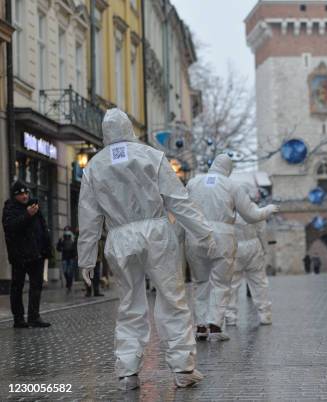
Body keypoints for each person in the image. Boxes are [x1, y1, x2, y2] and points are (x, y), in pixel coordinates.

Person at [77, 108, 216, 390]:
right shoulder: (152, 156)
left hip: (119, 236)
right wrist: (203, 232)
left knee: (129, 303)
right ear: (130, 127)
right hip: (156, 231)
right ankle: (183, 367)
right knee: (172, 298)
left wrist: (86, 258)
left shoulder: (94, 166)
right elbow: (178, 200)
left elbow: (89, 216)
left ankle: (127, 372)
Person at [185, 154, 278, 342]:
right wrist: (267, 210)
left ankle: (201, 326)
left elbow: (183, 209)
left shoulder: (193, 183)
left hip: (195, 235)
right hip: (222, 237)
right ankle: (215, 324)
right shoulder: (231, 185)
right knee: (221, 283)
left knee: (201, 283)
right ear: (228, 169)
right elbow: (251, 215)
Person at [2, 181, 52, 328]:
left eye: (26, 193)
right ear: (15, 196)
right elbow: (10, 227)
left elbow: (42, 228)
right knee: (17, 287)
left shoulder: (33, 206)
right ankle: (18, 319)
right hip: (20, 256)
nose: (24, 196)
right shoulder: (10, 208)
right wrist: (27, 215)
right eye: (21, 194)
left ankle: (34, 317)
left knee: (36, 286)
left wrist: (46, 249)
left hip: (36, 254)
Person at [225, 183, 273, 326]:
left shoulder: (229, 210)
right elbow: (262, 231)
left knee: (232, 284)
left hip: (235, 247)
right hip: (253, 246)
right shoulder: (254, 209)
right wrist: (265, 249)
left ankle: (230, 316)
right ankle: (265, 315)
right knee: (259, 282)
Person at [56, 226, 77, 293]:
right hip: (65, 257)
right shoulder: (63, 239)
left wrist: (75, 254)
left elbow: (75, 247)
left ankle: (69, 285)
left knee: (70, 272)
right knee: (65, 271)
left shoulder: (73, 239)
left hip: (71, 257)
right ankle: (68, 283)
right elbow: (58, 248)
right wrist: (60, 241)